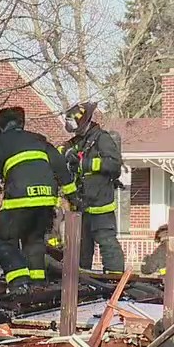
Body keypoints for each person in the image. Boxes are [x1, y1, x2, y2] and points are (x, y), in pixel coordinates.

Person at [0, 106, 77, 291]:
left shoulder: (0, 143)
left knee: (4, 241)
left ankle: (20, 284)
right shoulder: (38, 140)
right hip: (47, 200)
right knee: (34, 242)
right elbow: (60, 167)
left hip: (20, 200)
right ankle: (38, 285)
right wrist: (72, 196)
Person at [60, 102, 125, 272]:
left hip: (100, 205)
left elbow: (114, 165)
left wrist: (84, 163)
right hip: (81, 205)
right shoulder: (77, 141)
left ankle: (115, 279)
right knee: (81, 249)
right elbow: (61, 151)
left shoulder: (102, 139)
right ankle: (82, 282)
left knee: (107, 243)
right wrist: (66, 154)